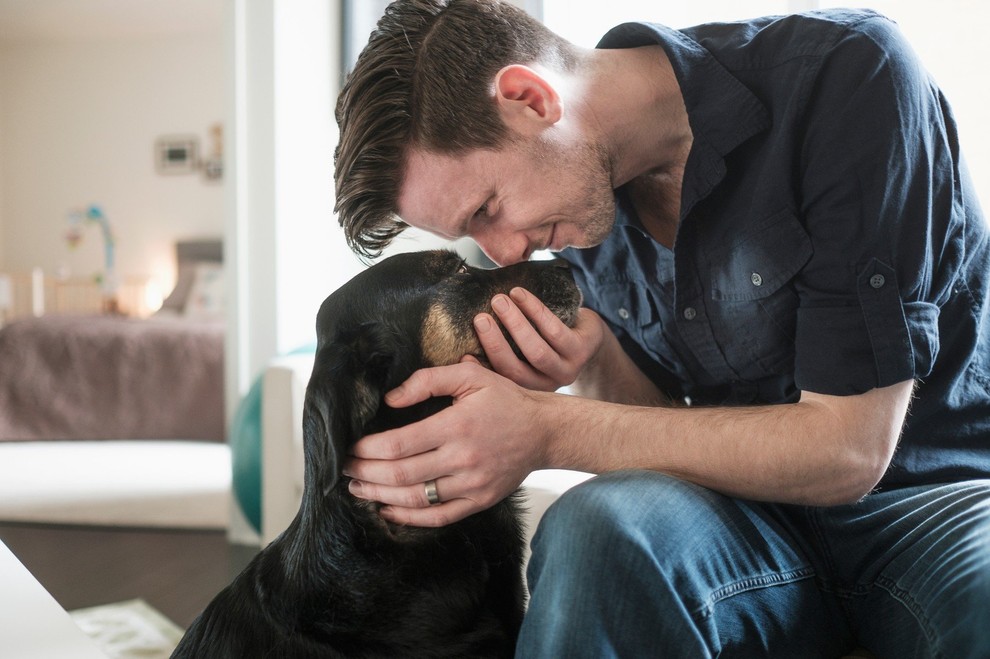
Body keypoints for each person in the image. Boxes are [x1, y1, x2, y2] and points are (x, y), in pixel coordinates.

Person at [333, 0, 990, 656]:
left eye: (487, 208)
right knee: (592, 531)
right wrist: (594, 361)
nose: (504, 253)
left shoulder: (848, 74)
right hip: (747, 519)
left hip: (935, 503)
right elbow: (668, 440)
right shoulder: (576, 209)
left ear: (531, 99)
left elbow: (849, 450)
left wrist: (544, 429)